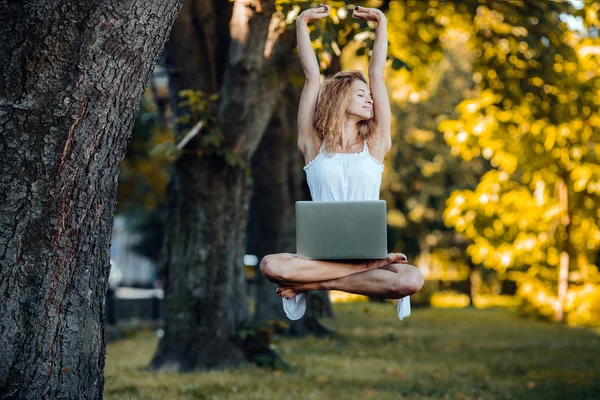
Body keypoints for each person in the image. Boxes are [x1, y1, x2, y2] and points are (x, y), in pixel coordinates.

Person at [259, 4, 424, 320]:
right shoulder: (313, 145)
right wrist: (302, 24)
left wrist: (382, 25)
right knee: (270, 264)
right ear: (340, 96)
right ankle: (366, 269)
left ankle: (311, 284)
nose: (370, 99)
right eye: (361, 93)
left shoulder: (375, 145)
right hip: (321, 255)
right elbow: (312, 77)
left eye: (370, 96)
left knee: (412, 279)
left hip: (358, 254)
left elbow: (377, 73)